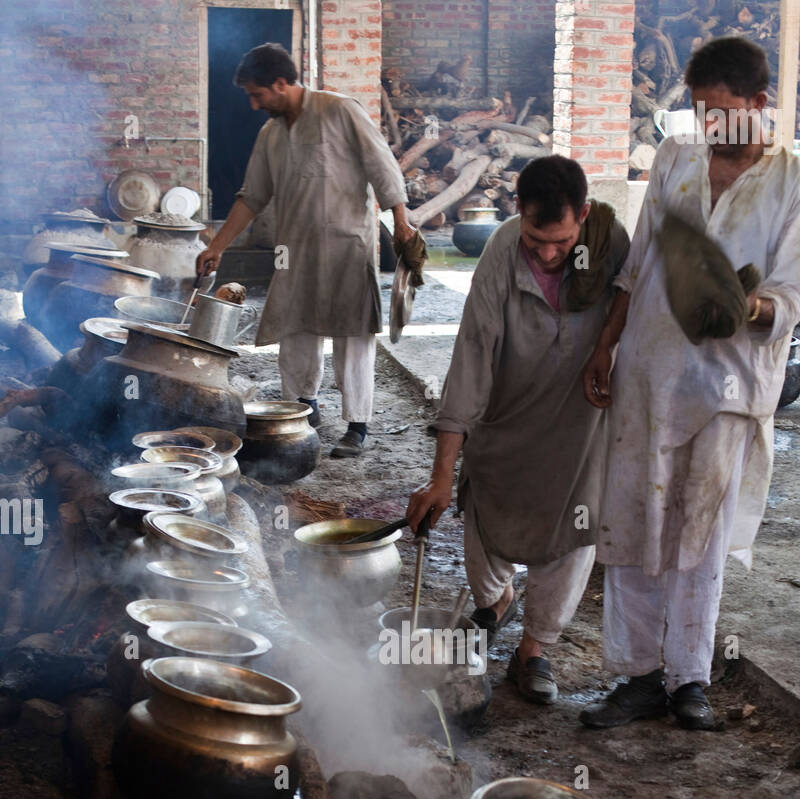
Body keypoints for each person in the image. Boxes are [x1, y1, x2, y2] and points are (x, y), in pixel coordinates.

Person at [580, 35, 800, 731]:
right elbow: (638, 265)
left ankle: (690, 678)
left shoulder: (796, 184)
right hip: (650, 373)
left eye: (723, 113)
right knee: (633, 521)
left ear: (759, 104)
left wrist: (744, 304)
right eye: (700, 113)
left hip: (728, 386)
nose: (711, 127)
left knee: (700, 532)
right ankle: (635, 676)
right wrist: (606, 343)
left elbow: (793, 292)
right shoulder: (675, 159)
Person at [406, 155, 629, 704]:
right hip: (504, 421)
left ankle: (534, 651)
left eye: (560, 241)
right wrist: (440, 476)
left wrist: (605, 348)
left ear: (584, 214)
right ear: (517, 213)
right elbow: (472, 360)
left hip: (580, 428)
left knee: (573, 531)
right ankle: (496, 602)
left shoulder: (610, 244)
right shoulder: (503, 251)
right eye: (535, 238)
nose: (548, 254)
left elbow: (632, 304)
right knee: (484, 514)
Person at [196, 43, 416, 458]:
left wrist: (401, 222)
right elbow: (252, 196)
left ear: (282, 83)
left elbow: (382, 166)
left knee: (353, 333)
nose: (253, 103)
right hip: (293, 250)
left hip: (348, 245)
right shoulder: (271, 134)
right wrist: (217, 246)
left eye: (257, 94)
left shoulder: (340, 110)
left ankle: (357, 425)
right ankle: (302, 407)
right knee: (296, 328)